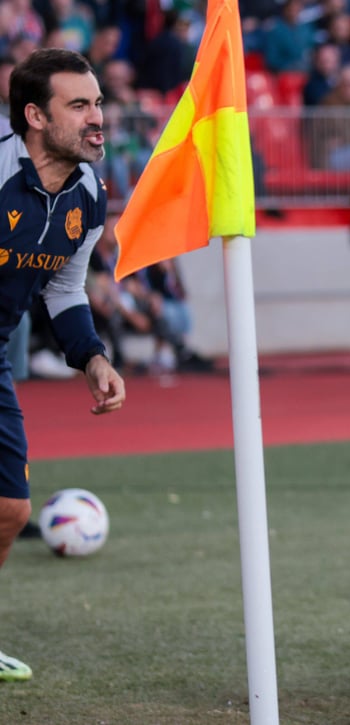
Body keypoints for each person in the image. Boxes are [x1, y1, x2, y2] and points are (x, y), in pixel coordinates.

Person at [0, 47, 126, 682]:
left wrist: (93, 358)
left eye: (98, 102)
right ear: (35, 117)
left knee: (11, 509)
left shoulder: (88, 193)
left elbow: (65, 289)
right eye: (78, 105)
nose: (96, 117)